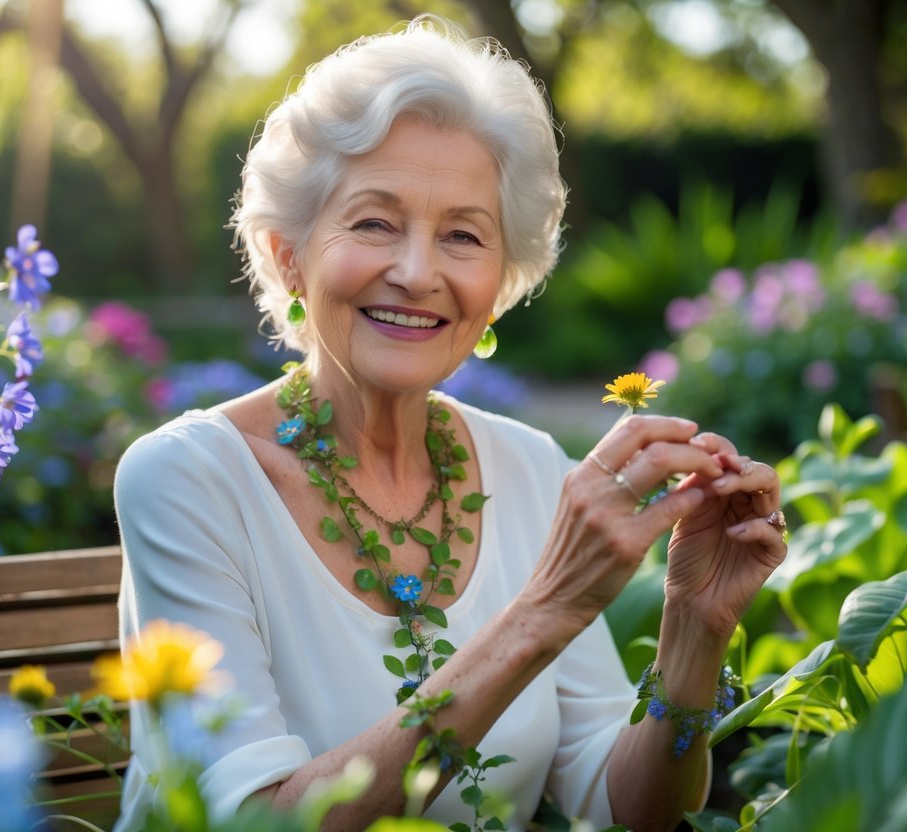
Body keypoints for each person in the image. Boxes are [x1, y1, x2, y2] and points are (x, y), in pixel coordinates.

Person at [112, 16, 787, 831]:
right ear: (288, 253)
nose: (416, 271)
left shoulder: (531, 468)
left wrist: (691, 633)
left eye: (462, 235)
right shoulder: (187, 479)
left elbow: (620, 811)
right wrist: (536, 616)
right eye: (374, 222)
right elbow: (256, 824)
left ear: (500, 282)